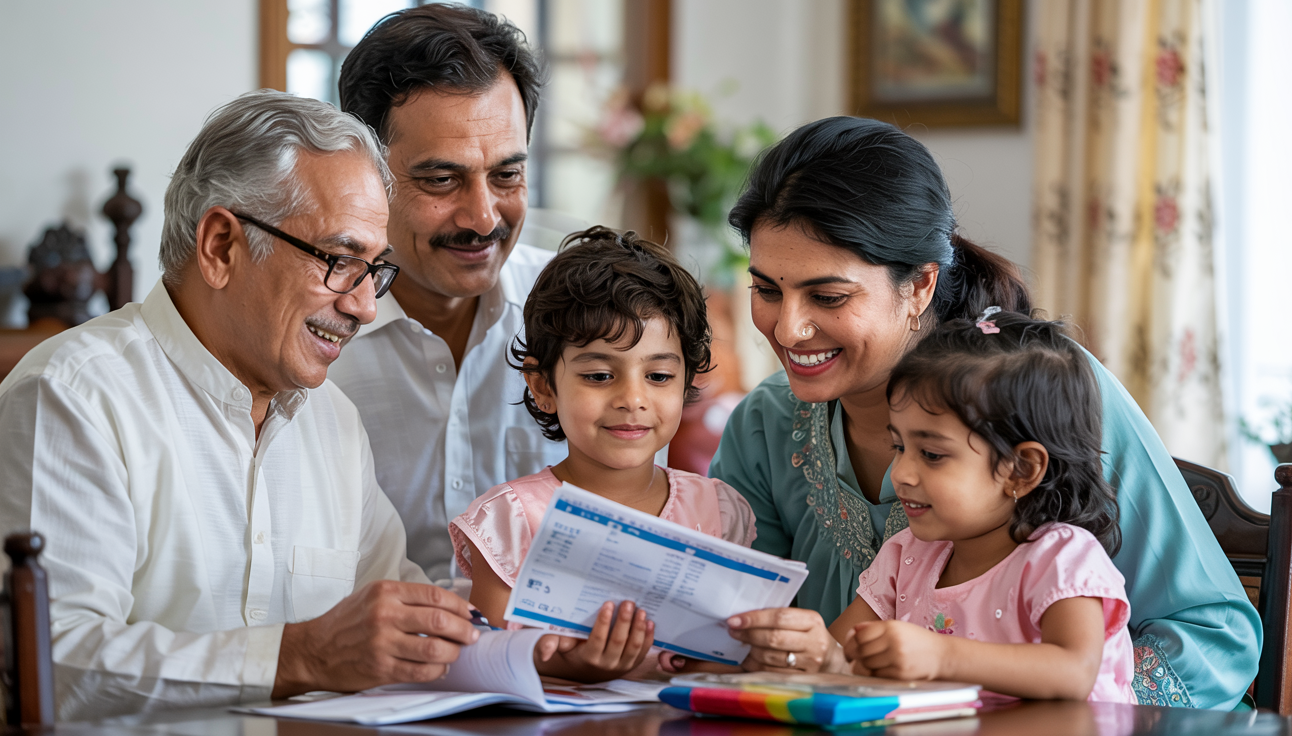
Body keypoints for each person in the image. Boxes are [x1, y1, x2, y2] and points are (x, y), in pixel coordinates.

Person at [703, 116, 1259, 709]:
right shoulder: (765, 422)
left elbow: (1213, 639)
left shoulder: (1044, 393)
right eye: (766, 290)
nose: (787, 329)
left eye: (828, 296)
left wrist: (1024, 710)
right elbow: (727, 626)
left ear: (919, 285)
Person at [0, 91, 479, 720]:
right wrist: (298, 658)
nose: (365, 305)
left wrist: (530, 649)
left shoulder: (332, 417)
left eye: (374, 270)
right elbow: (54, 662)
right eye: (340, 261)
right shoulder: (74, 395)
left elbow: (400, 614)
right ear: (222, 246)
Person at [449, 227, 757, 682]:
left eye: (658, 376)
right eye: (598, 376)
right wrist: (563, 664)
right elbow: (481, 664)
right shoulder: (509, 520)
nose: (632, 398)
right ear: (543, 386)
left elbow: (739, 651)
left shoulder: (719, 510)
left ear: (687, 380)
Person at [331, 2, 565, 586]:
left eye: (507, 175)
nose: (484, 218)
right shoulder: (308, 335)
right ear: (366, 172)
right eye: (441, 180)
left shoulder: (588, 317)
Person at [835, 311, 1134, 703]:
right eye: (899, 447)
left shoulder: (1061, 558)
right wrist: (811, 651)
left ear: (1022, 470)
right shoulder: (905, 555)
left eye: (931, 454)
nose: (901, 473)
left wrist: (941, 656)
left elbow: (1074, 672)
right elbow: (839, 654)